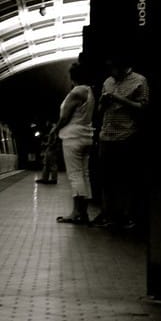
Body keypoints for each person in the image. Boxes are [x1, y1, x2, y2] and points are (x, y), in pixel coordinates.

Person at [93, 53, 150, 230]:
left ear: (124, 67)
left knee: (126, 178)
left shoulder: (140, 81)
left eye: (115, 69)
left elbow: (143, 107)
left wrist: (119, 99)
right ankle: (108, 214)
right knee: (106, 178)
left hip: (126, 136)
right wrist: (102, 102)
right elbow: (100, 110)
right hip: (106, 135)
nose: (112, 73)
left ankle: (126, 216)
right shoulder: (108, 82)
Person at [51, 62, 96, 224]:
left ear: (73, 76)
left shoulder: (76, 92)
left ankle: (76, 212)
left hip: (73, 137)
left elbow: (65, 117)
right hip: (86, 135)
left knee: (75, 175)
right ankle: (83, 212)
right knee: (84, 174)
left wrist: (54, 130)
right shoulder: (90, 91)